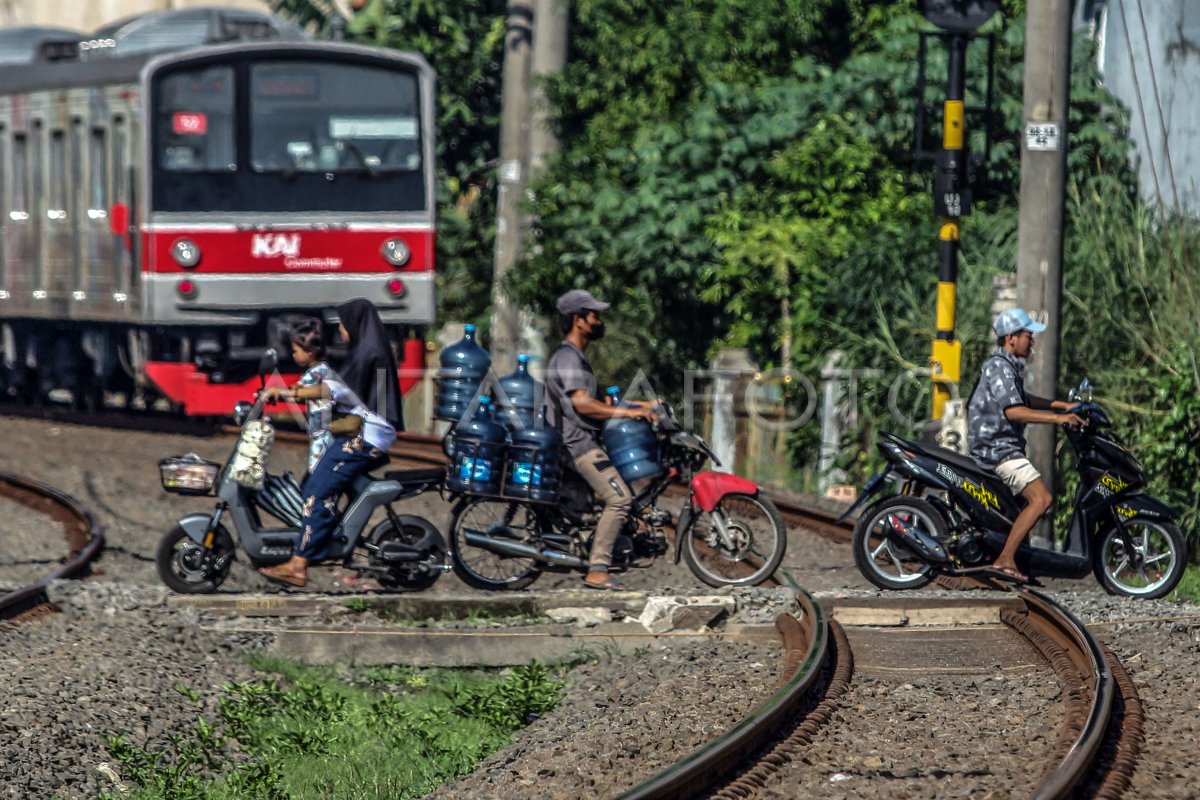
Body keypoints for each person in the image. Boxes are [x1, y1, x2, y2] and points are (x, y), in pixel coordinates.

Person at [259, 299, 401, 588]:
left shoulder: (367, 353)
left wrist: (286, 394)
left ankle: (299, 565)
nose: (341, 329)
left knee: (318, 489)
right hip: (367, 433)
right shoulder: (369, 351)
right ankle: (326, 541)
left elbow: (329, 391)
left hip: (366, 437)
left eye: (344, 323)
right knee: (320, 484)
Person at [545, 289, 656, 591]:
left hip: (580, 441)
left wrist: (641, 407)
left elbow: (596, 401)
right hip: (576, 445)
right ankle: (597, 569)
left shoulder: (575, 358)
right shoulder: (568, 357)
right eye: (594, 315)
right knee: (619, 499)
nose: (599, 320)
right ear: (578, 320)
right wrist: (626, 413)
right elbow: (582, 404)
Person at [967, 307, 1085, 584]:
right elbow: (1014, 411)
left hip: (1001, 446)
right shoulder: (999, 366)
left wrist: (1063, 405)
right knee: (1042, 498)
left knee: (1022, 505)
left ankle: (1019, 560)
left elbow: (1023, 399)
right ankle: (1004, 559)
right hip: (996, 450)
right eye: (1027, 335)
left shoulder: (1006, 365)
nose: (1031, 341)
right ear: (1011, 338)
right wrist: (1059, 419)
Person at [284, 318, 333, 477]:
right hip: (323, 428)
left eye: (296, 351)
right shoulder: (324, 368)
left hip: (322, 430)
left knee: (316, 471)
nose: (293, 355)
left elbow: (296, 391)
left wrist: (278, 393)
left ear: (309, 352)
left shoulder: (316, 371)